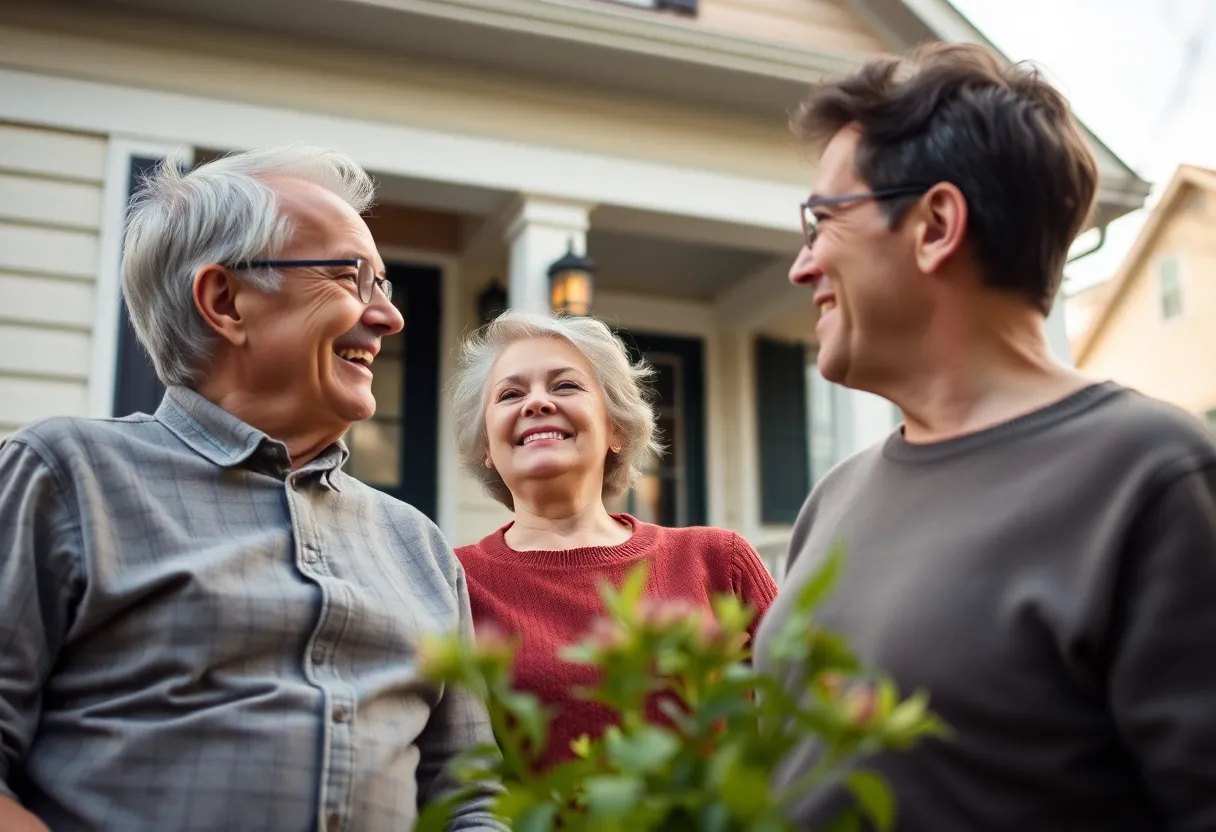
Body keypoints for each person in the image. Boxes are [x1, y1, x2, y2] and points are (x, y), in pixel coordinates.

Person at [753, 42, 1216, 830]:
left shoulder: (1154, 478)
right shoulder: (833, 499)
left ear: (935, 224)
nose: (801, 267)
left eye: (822, 222)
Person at [0, 146, 504, 832]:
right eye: (348, 276)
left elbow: (470, 800)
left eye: (383, 285)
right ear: (224, 300)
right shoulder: (67, 475)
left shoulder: (417, 544)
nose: (388, 317)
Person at [450, 310, 777, 769]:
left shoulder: (718, 560)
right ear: (486, 444)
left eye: (565, 385)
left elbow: (802, 721)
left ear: (617, 428)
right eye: (510, 394)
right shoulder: (453, 579)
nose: (536, 403)